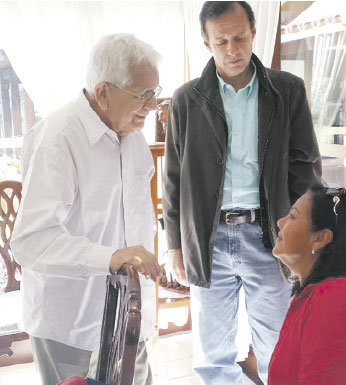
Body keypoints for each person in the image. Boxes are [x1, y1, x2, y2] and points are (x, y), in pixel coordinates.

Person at [163, 1, 321, 384]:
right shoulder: (186, 100)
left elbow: (305, 168)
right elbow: (172, 179)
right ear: (206, 42)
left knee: (278, 345)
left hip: (270, 235)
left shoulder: (286, 91)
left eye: (239, 37)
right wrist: (175, 245)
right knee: (213, 354)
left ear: (253, 33)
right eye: (221, 42)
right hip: (208, 238)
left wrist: (307, 234)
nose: (232, 49)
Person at [10, 33, 162, 385]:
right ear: (103, 92)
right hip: (72, 325)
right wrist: (112, 256)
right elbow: (31, 242)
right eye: (142, 95)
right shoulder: (58, 138)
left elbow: (134, 222)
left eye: (154, 92)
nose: (152, 105)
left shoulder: (134, 136)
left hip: (127, 318)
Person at [269, 184, 346, 385]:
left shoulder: (339, 298)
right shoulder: (317, 295)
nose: (280, 222)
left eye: (292, 216)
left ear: (320, 239)